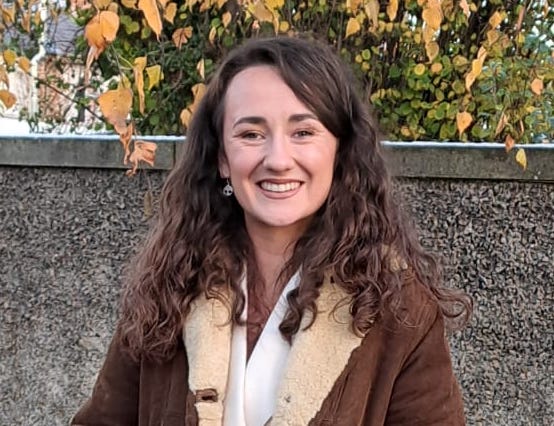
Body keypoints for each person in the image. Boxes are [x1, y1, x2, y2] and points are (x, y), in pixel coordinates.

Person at [72, 36, 471, 426]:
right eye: (251, 134)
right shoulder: (169, 287)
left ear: (340, 150)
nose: (278, 160)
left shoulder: (398, 306)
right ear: (222, 159)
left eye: (303, 132)